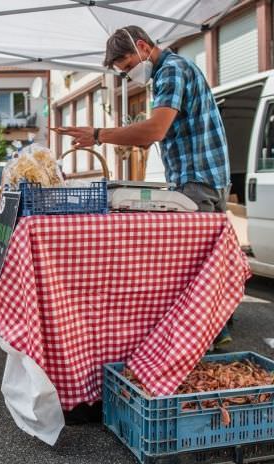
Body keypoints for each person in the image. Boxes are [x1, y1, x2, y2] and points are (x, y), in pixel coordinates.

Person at [53, 25, 232, 346]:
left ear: (141, 47)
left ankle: (206, 341)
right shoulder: (177, 69)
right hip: (205, 176)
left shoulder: (171, 71)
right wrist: (129, 136)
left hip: (197, 180)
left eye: (127, 67)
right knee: (209, 264)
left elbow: (155, 130)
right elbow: (158, 132)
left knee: (193, 265)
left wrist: (98, 135)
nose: (128, 75)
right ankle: (216, 333)